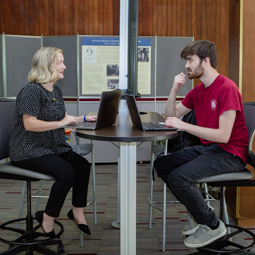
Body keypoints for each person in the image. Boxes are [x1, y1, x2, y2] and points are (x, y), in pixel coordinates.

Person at [154, 40, 249, 248]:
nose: (186, 65)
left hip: (231, 154)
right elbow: (170, 116)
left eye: (190, 60)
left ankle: (212, 225)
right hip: (211, 148)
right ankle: (199, 213)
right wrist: (173, 89)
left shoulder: (227, 88)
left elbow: (224, 136)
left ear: (205, 61)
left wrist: (184, 127)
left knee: (179, 178)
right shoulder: (199, 91)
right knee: (162, 164)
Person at [9, 47, 97, 237]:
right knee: (67, 173)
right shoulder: (32, 91)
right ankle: (47, 217)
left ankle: (77, 211)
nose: (64, 66)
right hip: (28, 149)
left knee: (82, 165)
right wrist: (61, 123)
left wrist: (82, 118)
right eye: (60, 62)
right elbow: (29, 124)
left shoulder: (55, 90)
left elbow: (61, 118)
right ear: (47, 65)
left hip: (51, 146)